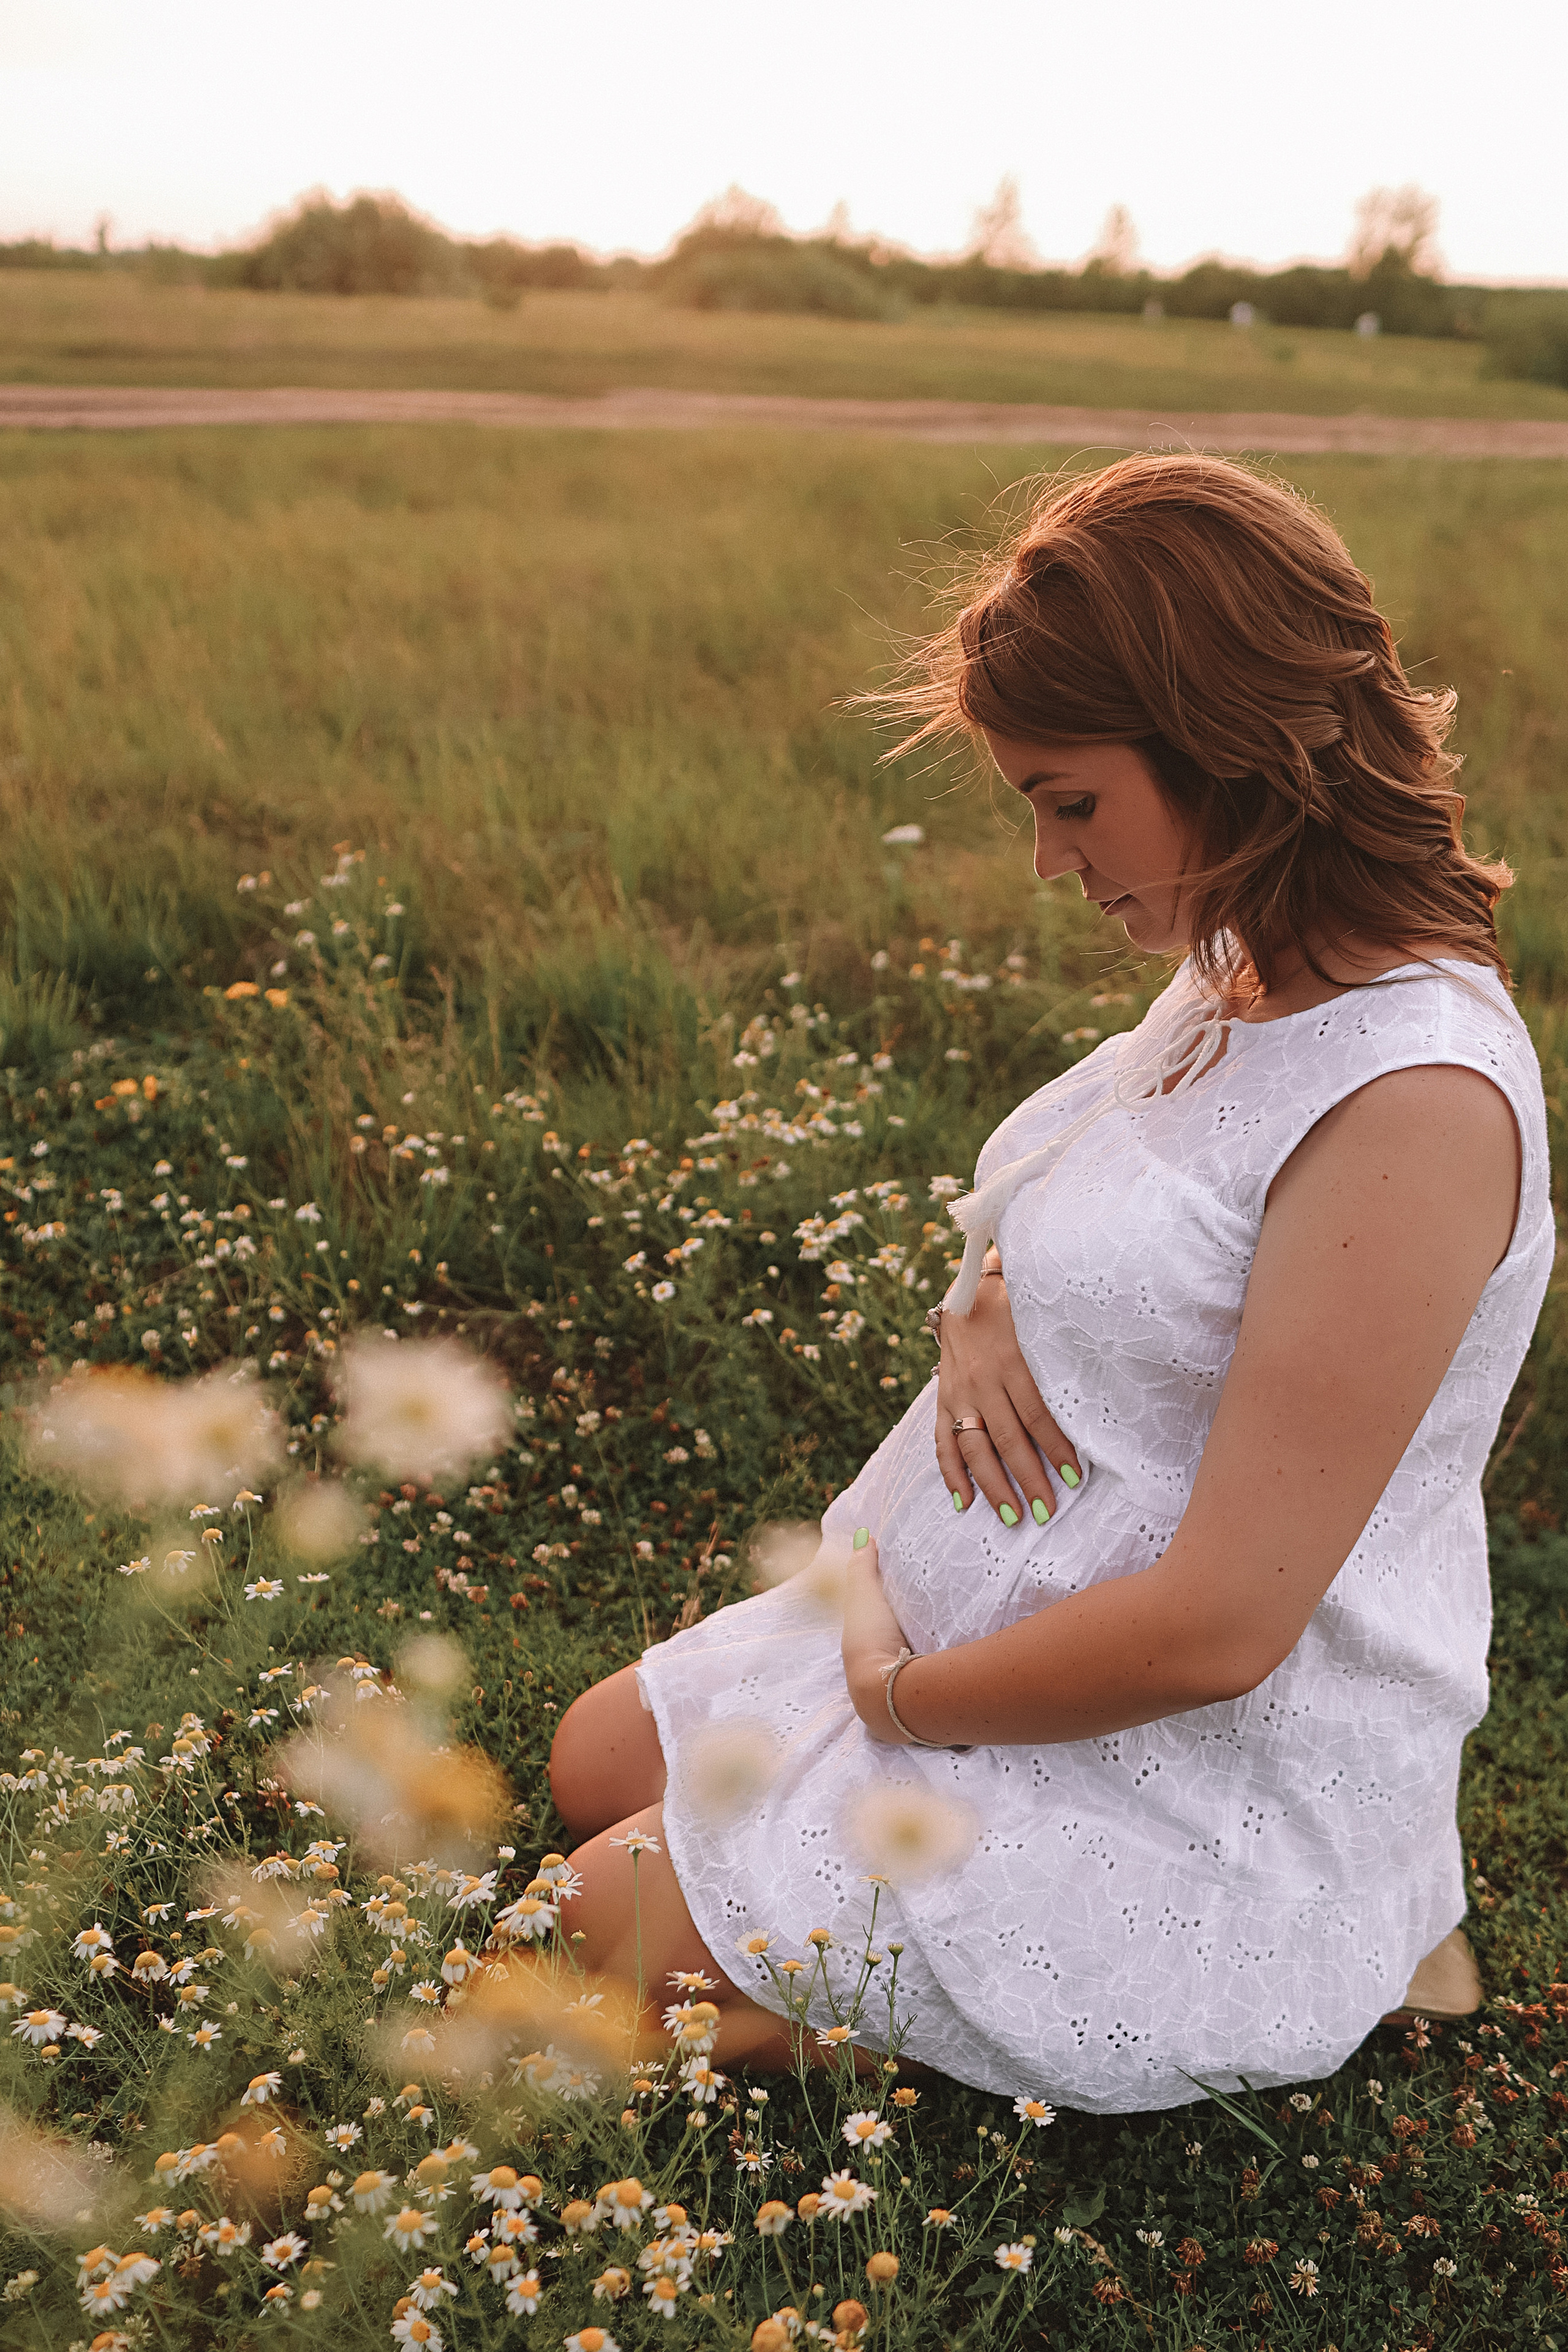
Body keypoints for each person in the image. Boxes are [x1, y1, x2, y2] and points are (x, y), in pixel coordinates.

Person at [548, 454, 1551, 2112]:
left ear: (1232, 753)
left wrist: (902, 1698)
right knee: (592, 1758)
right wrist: (984, 1301)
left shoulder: (1412, 1102)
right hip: (990, 1610)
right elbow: (1105, 1188)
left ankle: (1292, 1961)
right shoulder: (1243, 967)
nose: (1047, 860)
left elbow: (1225, 1629)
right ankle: (856, 1933)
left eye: (1069, 800)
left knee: (582, 1925)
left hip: (1175, 1754)